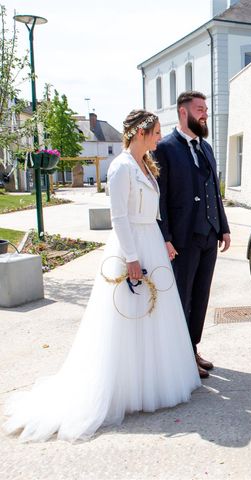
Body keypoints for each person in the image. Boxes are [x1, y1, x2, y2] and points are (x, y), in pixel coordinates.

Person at [3, 110, 201, 443]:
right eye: (154, 132)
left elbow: (153, 212)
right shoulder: (122, 167)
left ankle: (150, 381)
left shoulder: (147, 166)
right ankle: (124, 388)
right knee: (129, 316)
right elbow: (119, 217)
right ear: (140, 133)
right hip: (133, 246)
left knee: (154, 317)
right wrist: (132, 258)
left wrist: (162, 241)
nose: (158, 138)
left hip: (151, 240)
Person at [155, 91, 230, 379]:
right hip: (183, 239)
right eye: (200, 109)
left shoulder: (207, 148)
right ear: (183, 113)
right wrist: (166, 236)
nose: (205, 114)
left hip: (209, 235)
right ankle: (182, 354)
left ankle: (193, 348)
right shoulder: (164, 148)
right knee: (182, 298)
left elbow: (214, 190)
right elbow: (159, 199)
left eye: (206, 109)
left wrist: (223, 227)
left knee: (200, 296)